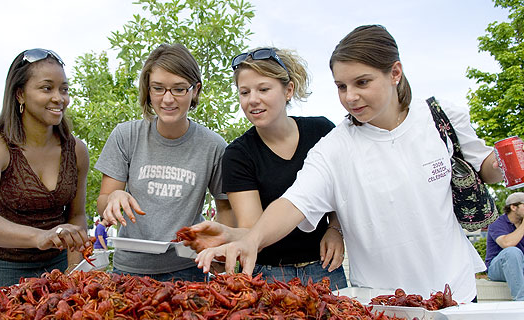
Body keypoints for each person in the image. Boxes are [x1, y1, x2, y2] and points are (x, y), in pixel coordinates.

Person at [192, 25, 504, 303]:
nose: (350, 96)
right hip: (382, 303)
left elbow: (487, 168)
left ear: (395, 73)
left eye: (362, 82)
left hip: (457, 291)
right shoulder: (333, 146)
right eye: (341, 86)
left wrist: (504, 160)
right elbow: (293, 202)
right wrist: (250, 240)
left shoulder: (441, 117)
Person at [95, 43, 234, 282]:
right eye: (158, 89)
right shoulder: (126, 135)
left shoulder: (214, 146)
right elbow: (103, 203)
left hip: (188, 269)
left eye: (179, 89)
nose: (167, 99)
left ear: (195, 91)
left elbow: (226, 209)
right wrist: (113, 199)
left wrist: (219, 253)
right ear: (147, 91)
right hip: (128, 268)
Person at [0, 48, 91, 298]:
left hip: (57, 269)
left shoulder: (76, 150)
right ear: (20, 94)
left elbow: (76, 216)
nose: (59, 98)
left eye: (64, 89)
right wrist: (40, 236)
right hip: (3, 270)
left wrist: (75, 272)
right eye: (47, 88)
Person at [222, 47, 346, 288]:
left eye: (263, 89)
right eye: (244, 92)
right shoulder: (237, 155)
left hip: (324, 268)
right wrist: (224, 235)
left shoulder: (321, 131)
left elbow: (337, 192)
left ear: (288, 90)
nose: (252, 100)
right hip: (269, 275)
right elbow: (252, 229)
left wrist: (335, 229)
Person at [484, 192, 524, 300]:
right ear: (513, 207)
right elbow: (507, 244)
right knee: (512, 252)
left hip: (520, 266)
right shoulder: (497, 223)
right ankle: (521, 301)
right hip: (497, 268)